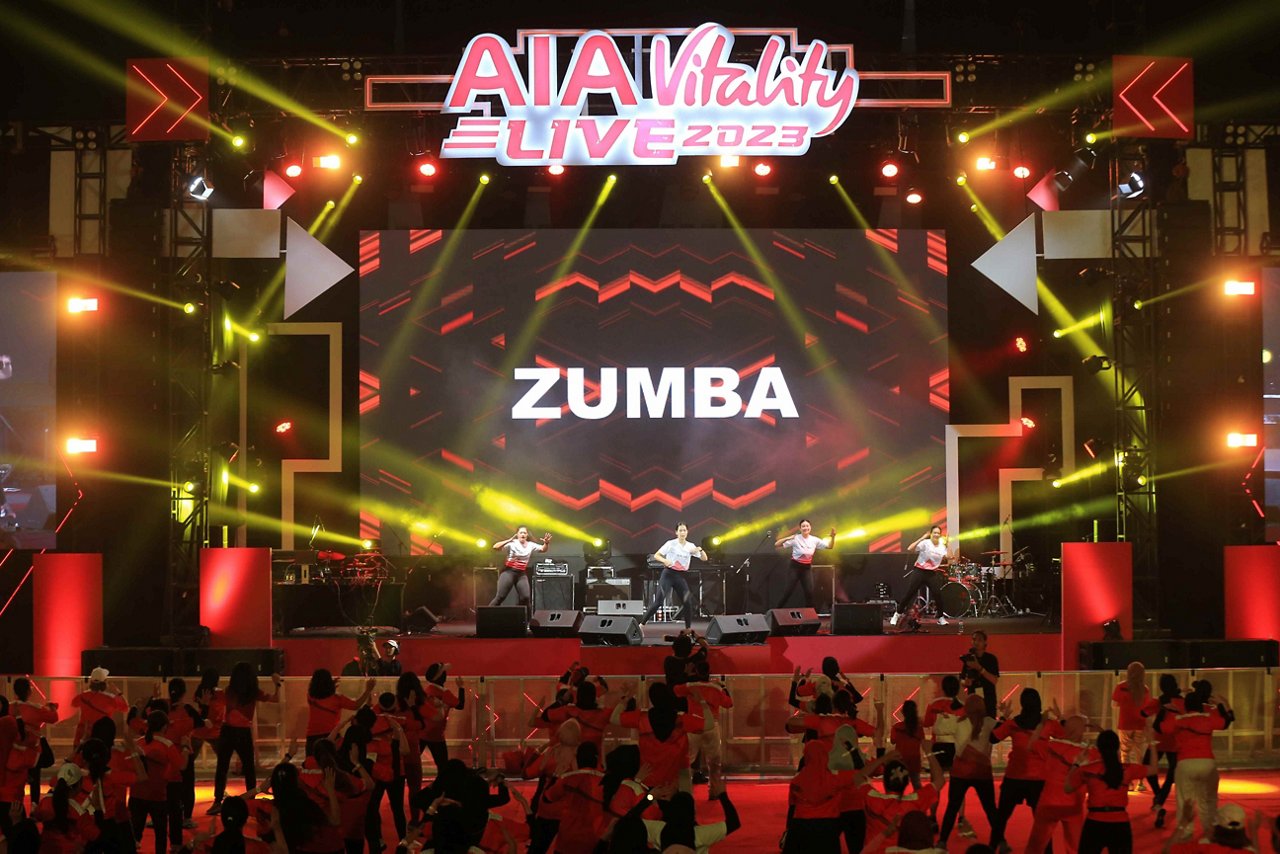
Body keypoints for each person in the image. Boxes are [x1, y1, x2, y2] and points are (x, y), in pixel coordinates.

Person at [989, 688, 1061, 852]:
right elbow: (1067, 734)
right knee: (1042, 822)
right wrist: (1060, 717)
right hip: (1039, 779)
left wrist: (1003, 717)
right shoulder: (1048, 724)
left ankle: (991, 848)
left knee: (1001, 819)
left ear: (1022, 704)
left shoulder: (1013, 724)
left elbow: (993, 738)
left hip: (1015, 776)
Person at [1065, 728, 1157, 854]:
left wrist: (1076, 764)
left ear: (1099, 748)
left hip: (1095, 822)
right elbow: (1153, 769)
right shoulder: (1127, 769)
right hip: (1120, 822)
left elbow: (1068, 787)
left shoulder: (1088, 770)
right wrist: (1152, 743)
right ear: (1117, 747)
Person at [1162, 682, 1233, 843]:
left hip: (1185, 763)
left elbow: (1161, 727)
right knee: (1209, 800)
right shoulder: (1209, 718)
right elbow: (1226, 722)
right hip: (1207, 762)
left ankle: (1186, 835)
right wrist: (1223, 705)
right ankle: (1210, 833)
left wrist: (1166, 709)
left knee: (1184, 801)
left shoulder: (1178, 720)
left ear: (1186, 706)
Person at [209, 663, 282, 814]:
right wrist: (277, 684)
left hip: (227, 730)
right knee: (249, 768)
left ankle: (217, 801)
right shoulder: (253, 692)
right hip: (243, 732)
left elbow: (217, 700)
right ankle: (251, 801)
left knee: (222, 767)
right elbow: (275, 698)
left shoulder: (230, 691)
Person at [1026, 712, 1095, 854]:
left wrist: (1041, 725)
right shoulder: (1088, 753)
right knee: (1075, 846)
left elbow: (1032, 744)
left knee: (1036, 844)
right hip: (1073, 805)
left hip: (1048, 801)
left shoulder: (1052, 746)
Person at [937, 695, 999, 847]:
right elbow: (1001, 732)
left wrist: (942, 717)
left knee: (952, 807)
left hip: (960, 771)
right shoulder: (989, 722)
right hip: (982, 772)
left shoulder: (958, 722)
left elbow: (937, 729)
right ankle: (1000, 841)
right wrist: (1004, 715)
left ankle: (942, 841)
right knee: (990, 808)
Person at [130, 710, 189, 854]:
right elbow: (182, 766)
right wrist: (186, 748)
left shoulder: (138, 742)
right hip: (157, 795)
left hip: (136, 794)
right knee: (160, 834)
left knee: (134, 834)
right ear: (164, 727)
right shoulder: (167, 744)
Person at [640, 522, 707, 628]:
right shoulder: (671, 544)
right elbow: (657, 555)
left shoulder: (690, 546)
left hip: (681, 576)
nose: (682, 533)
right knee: (658, 602)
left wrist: (700, 550)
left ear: (687, 532)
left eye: (684, 530)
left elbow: (704, 558)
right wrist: (665, 560)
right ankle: (641, 624)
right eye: (680, 530)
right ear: (676, 532)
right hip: (669, 574)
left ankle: (688, 629)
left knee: (687, 602)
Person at [890, 526, 953, 627]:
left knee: (938, 595)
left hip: (932, 573)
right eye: (934, 533)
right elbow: (910, 548)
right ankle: (897, 614)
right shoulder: (925, 543)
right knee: (909, 594)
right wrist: (923, 537)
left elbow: (950, 557)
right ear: (931, 534)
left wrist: (948, 544)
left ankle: (941, 617)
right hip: (919, 571)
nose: (936, 535)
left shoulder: (942, 546)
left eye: (938, 533)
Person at [1144, 673, 1184, 829]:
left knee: (1147, 766)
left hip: (1159, 740)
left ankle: (1157, 795)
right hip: (1175, 740)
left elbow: (1143, 713)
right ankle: (1160, 798)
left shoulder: (1158, 701)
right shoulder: (1181, 701)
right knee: (1172, 774)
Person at [305, 670, 375, 756]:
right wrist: (368, 690)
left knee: (311, 762)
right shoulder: (337, 699)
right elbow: (356, 705)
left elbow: (320, 689)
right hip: (331, 735)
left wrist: (328, 686)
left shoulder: (310, 697)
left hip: (312, 736)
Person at [10, 677, 57, 806]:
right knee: (35, 779)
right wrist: (52, 708)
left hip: (13, 753)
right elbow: (54, 718)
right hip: (32, 753)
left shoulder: (9, 707)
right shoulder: (36, 708)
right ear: (29, 691)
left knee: (16, 782)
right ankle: (34, 806)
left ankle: (16, 807)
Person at [774, 520, 836, 609]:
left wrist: (833, 537)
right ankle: (775, 611)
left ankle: (809, 614)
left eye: (807, 526)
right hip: (795, 567)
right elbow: (777, 544)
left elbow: (830, 546)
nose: (805, 528)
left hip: (806, 568)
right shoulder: (796, 539)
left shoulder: (814, 540)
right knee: (788, 591)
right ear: (800, 528)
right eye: (803, 526)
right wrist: (788, 537)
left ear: (810, 527)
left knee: (809, 592)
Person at [1111, 661, 1152, 790]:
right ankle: (1141, 782)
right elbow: (1148, 708)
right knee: (1139, 753)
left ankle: (1128, 782)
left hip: (1125, 723)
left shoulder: (1121, 687)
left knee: (1125, 753)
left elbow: (1114, 704)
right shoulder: (1145, 689)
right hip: (1140, 724)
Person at [490, 526, 551, 609]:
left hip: (521, 574)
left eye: (524, 533)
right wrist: (509, 540)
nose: (523, 534)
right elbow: (495, 547)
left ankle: (526, 617)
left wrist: (546, 543)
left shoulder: (530, 545)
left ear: (527, 535)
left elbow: (543, 549)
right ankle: (485, 615)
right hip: (509, 572)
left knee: (525, 598)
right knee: (500, 597)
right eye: (521, 533)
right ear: (517, 534)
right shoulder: (512, 543)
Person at [70, 667, 129, 748]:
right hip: (102, 738)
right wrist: (118, 692)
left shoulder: (83, 696)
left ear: (91, 682)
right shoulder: (111, 699)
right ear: (105, 683)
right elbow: (126, 708)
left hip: (82, 737)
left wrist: (85, 690)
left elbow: (73, 704)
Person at [961, 630, 1000, 718]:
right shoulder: (968, 658)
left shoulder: (991, 659)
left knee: (988, 723)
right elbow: (962, 679)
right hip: (973, 699)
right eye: (974, 639)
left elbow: (994, 680)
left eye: (979, 640)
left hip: (988, 700)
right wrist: (965, 682)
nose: (976, 642)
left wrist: (979, 668)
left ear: (985, 642)